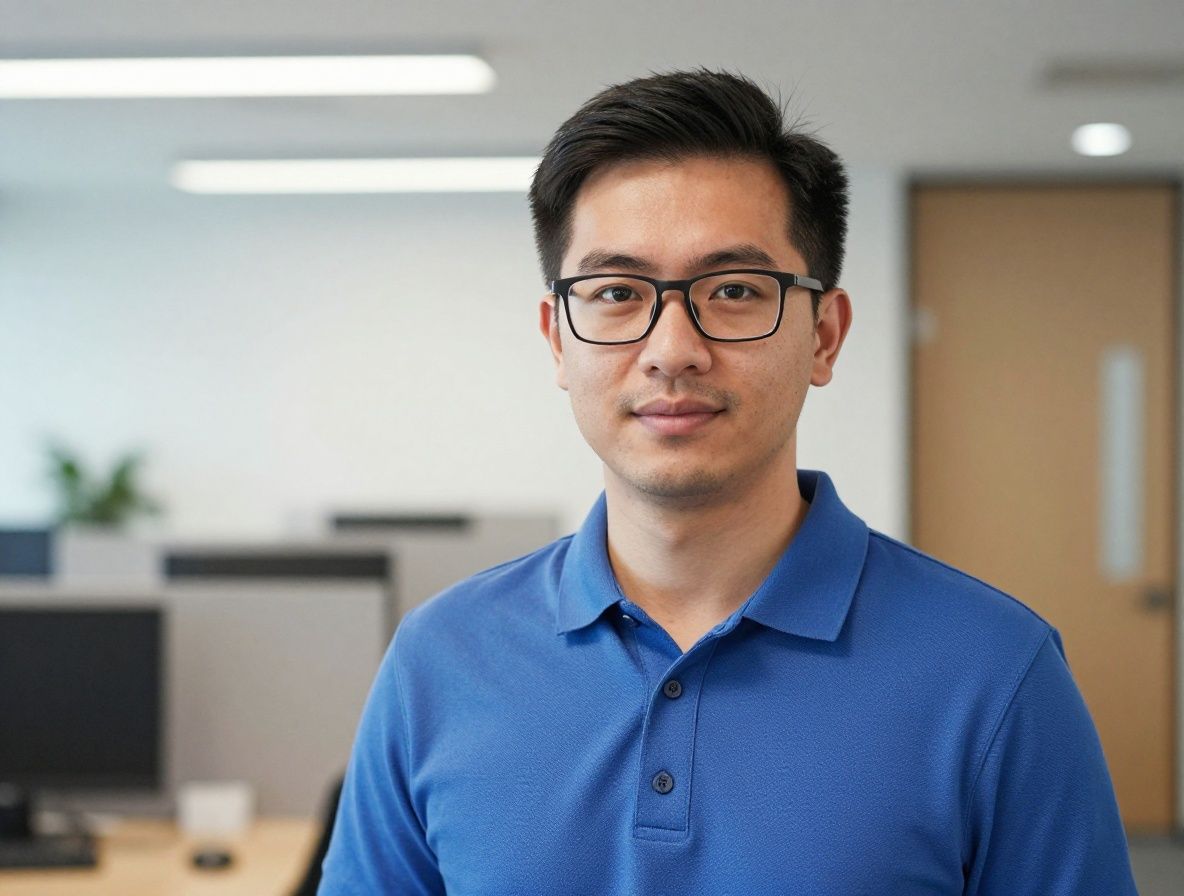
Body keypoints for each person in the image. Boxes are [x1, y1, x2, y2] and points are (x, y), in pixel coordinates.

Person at [318, 70, 1137, 894]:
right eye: (615, 292)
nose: (672, 348)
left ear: (824, 334)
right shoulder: (441, 660)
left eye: (736, 290)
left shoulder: (994, 669)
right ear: (558, 340)